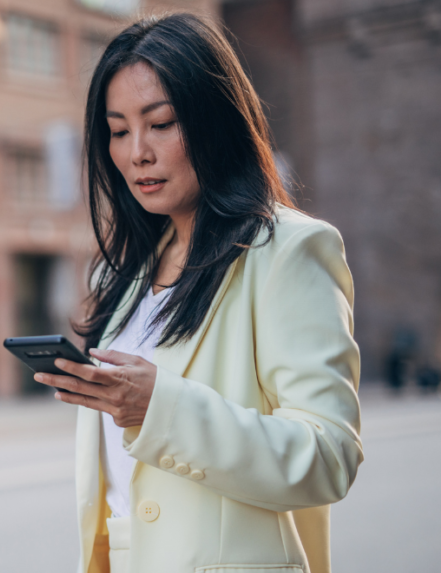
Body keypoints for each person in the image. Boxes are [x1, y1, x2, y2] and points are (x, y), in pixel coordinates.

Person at [31, 13, 362, 573]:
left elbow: (329, 457)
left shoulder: (289, 251)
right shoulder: (132, 274)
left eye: (160, 123)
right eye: (117, 130)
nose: (137, 152)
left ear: (215, 121)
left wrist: (162, 406)